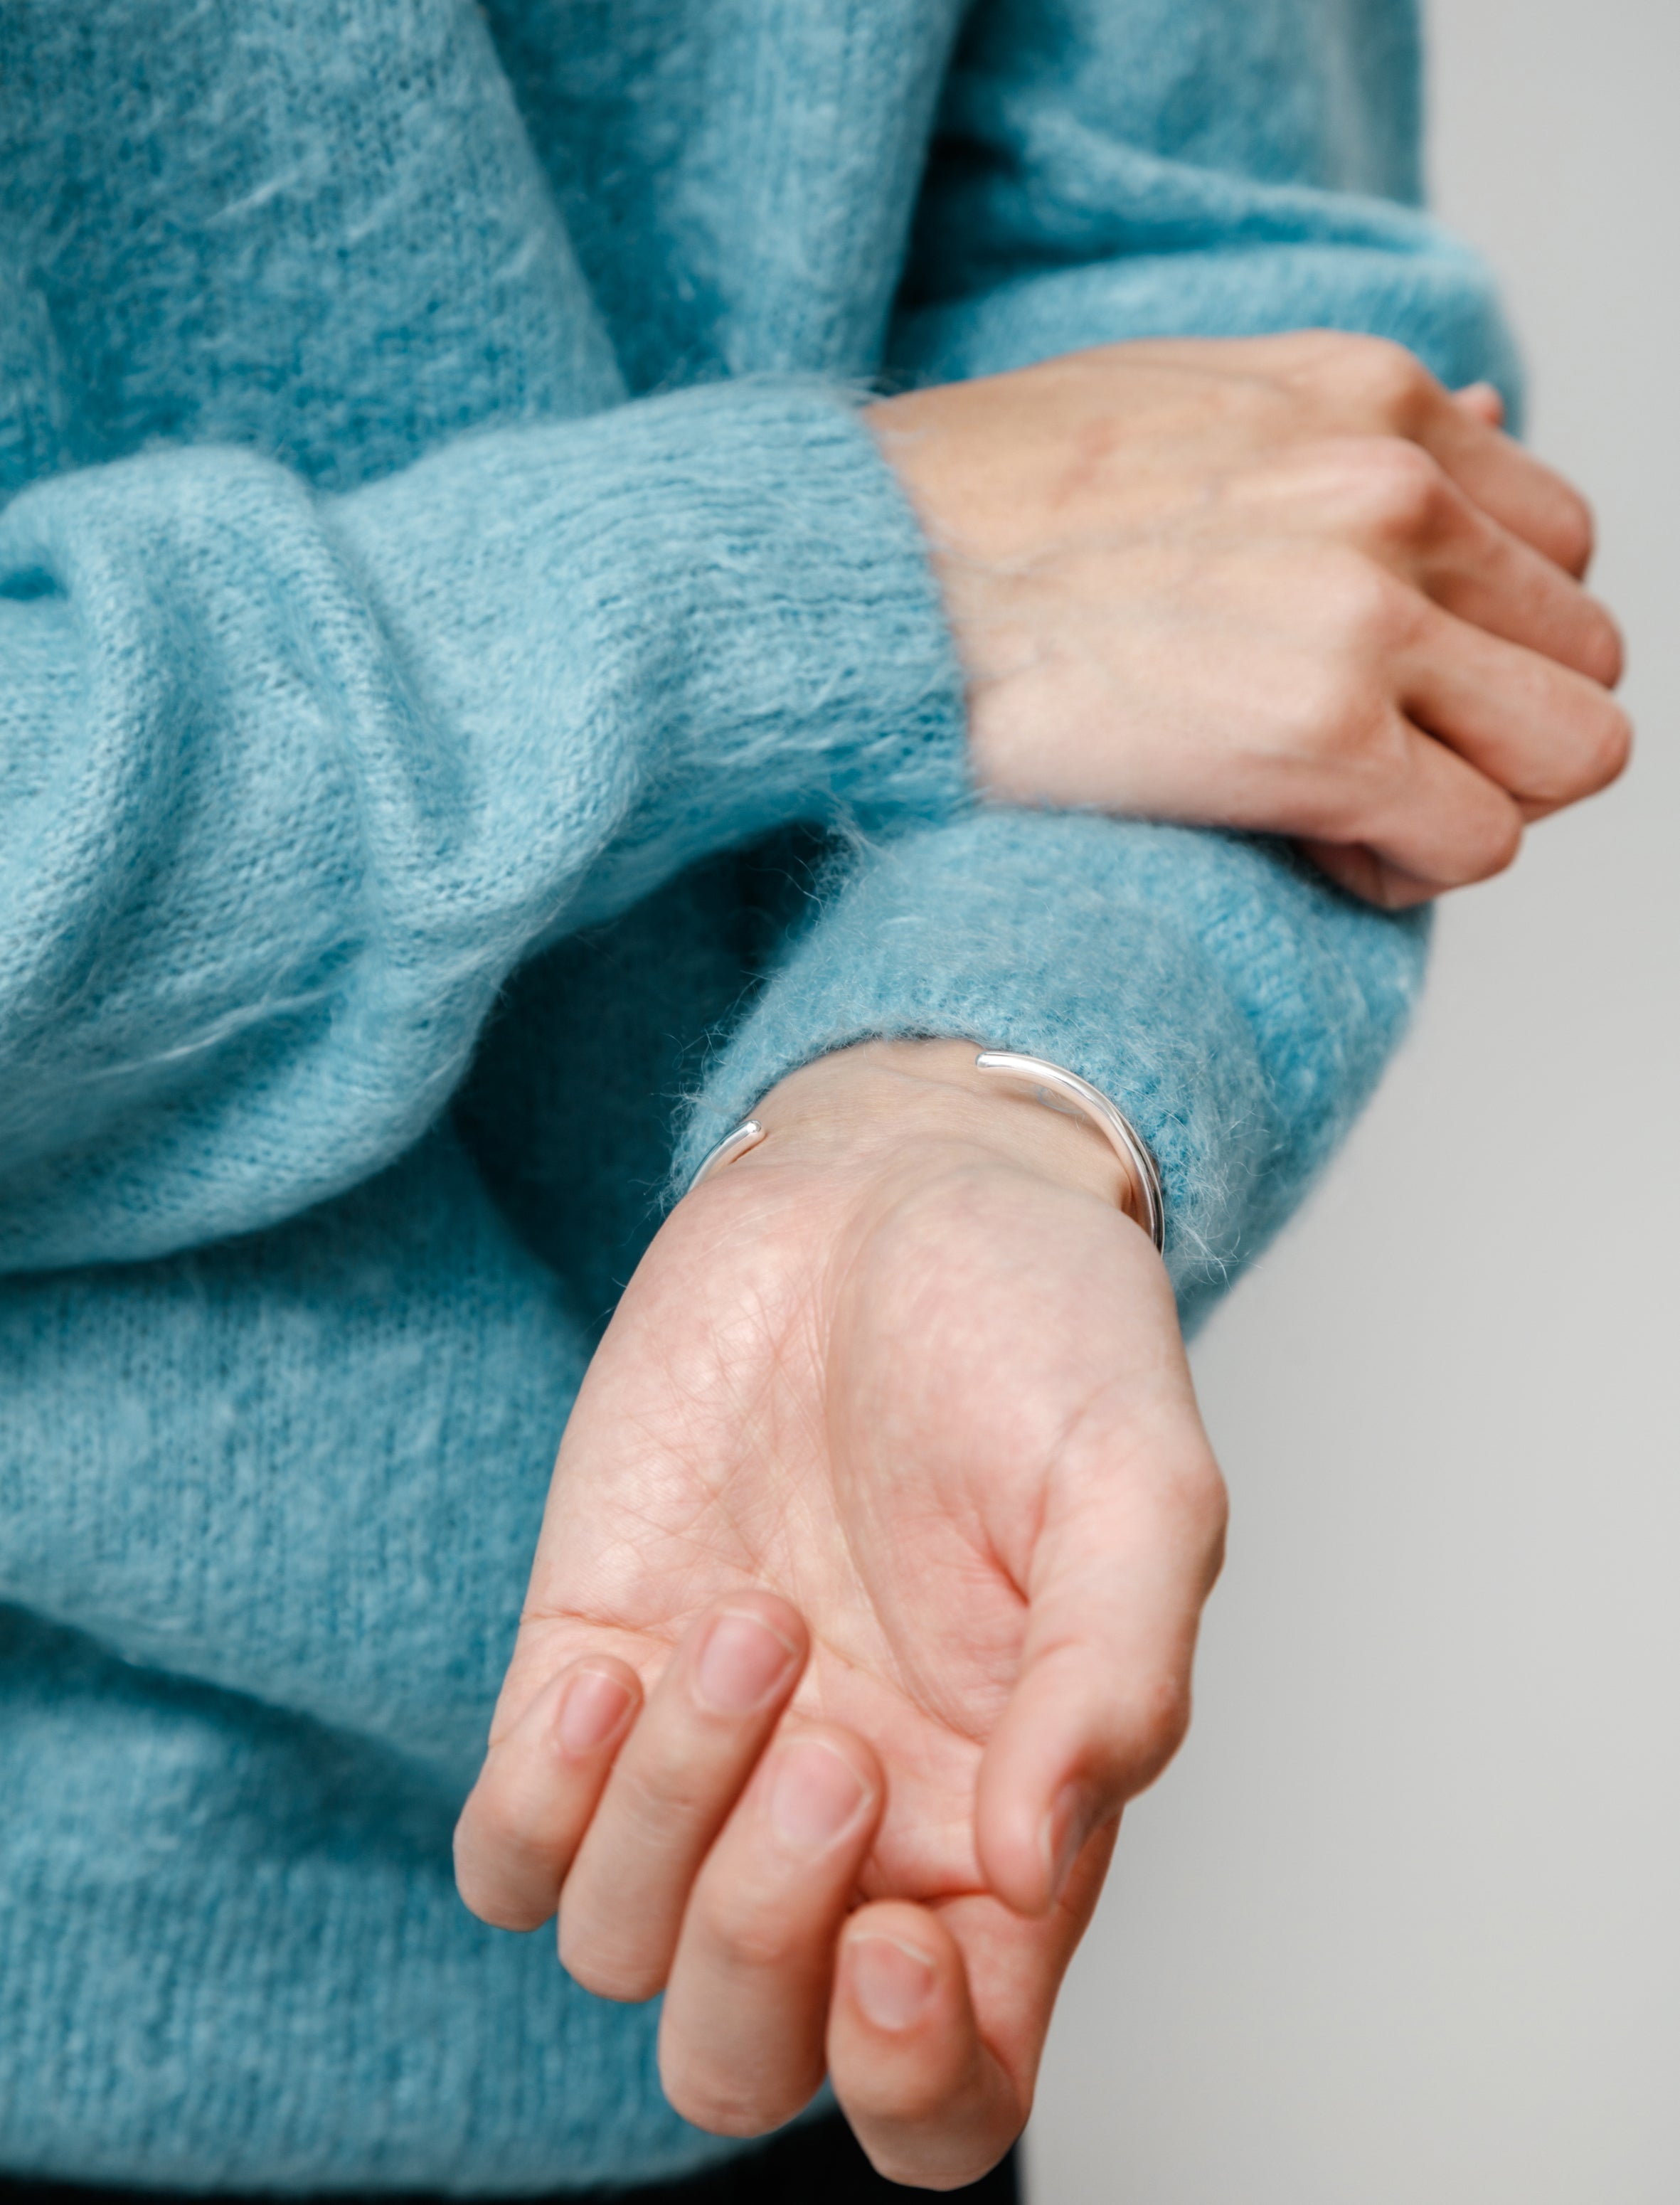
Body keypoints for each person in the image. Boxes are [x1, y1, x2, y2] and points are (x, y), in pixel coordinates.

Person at [0, 1, 1624, 2200]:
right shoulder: (877, 576)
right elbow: (1073, 516)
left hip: (750, 1849)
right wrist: (831, 581)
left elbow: (1234, 449)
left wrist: (962, 1076)